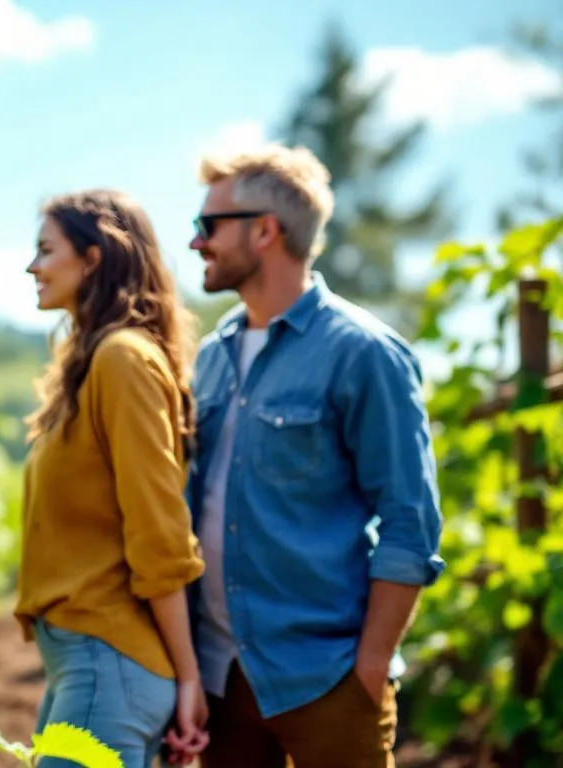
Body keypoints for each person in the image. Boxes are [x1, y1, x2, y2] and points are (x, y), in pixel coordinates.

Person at [179, 142, 445, 767]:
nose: (196, 242)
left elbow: (411, 522)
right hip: (222, 678)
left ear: (265, 230)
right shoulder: (211, 359)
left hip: (327, 679)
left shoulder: (365, 353)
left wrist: (371, 665)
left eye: (207, 226)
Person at [14, 189, 211, 768]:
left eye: (46, 249)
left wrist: (189, 679)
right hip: (88, 663)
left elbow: (160, 531)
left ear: (94, 257)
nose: (33, 266)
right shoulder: (94, 363)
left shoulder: (122, 360)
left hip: (108, 665)